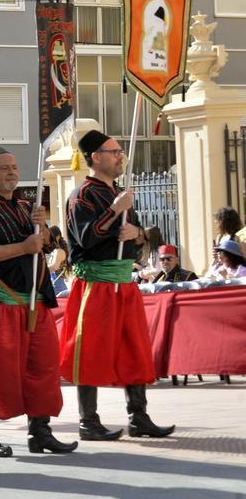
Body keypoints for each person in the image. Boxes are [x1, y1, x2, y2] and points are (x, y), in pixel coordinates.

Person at [0, 146, 76, 458]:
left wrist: (43, 231)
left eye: (13, 167)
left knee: (43, 368)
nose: (11, 172)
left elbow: (43, 247)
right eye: (3, 168)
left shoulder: (27, 207)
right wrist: (25, 245)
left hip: (34, 304)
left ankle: (40, 432)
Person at [59, 130, 174, 441]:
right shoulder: (82, 195)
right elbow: (86, 238)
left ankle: (139, 417)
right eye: (114, 151)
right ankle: (88, 421)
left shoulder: (121, 193)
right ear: (96, 157)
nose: (120, 156)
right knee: (90, 349)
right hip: (96, 284)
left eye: (120, 151)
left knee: (135, 348)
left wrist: (136, 233)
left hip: (124, 283)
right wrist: (114, 212)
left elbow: (140, 243)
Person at [47, 226, 71, 297]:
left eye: (51, 236)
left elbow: (54, 267)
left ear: (57, 237)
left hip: (57, 285)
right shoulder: (59, 250)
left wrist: (40, 270)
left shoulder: (58, 251)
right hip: (57, 283)